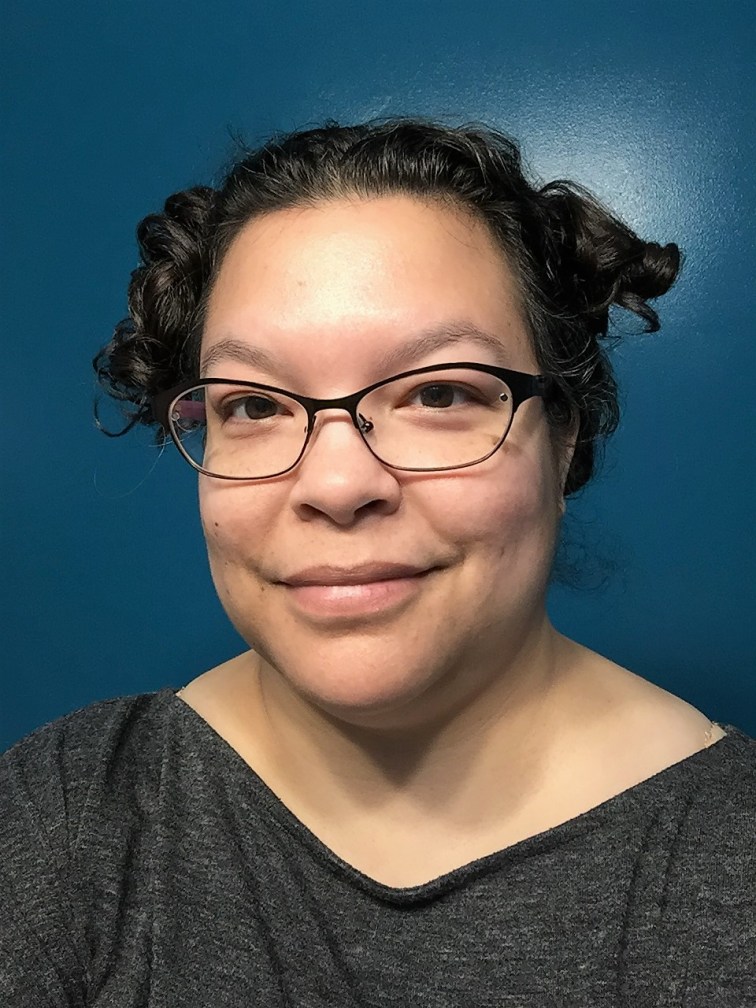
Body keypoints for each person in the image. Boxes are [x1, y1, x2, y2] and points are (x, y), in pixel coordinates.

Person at [1, 119, 754, 1006]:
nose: (336, 483)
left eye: (438, 392)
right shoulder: (64, 814)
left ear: (562, 442)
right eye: (253, 404)